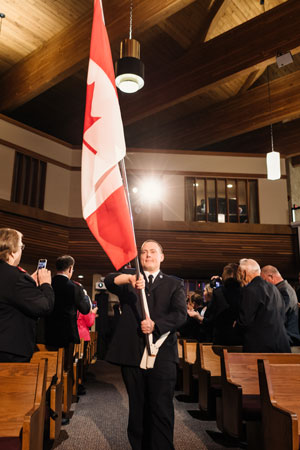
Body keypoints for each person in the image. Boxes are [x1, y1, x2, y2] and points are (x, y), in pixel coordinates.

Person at [105, 240, 187, 450]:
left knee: (161, 408)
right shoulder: (131, 281)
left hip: (163, 355)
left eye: (153, 251)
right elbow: (108, 280)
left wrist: (156, 325)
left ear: (162, 257)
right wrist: (130, 278)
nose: (148, 255)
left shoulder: (174, 283)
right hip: (133, 355)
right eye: (143, 252)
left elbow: (180, 315)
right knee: (138, 408)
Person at [0, 228, 54, 362]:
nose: (22, 250)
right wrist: (46, 284)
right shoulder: (17, 278)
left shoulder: (16, 279)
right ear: (12, 252)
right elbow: (44, 307)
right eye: (21, 246)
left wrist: (28, 284)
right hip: (10, 351)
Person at [237, 258, 290, 353]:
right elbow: (282, 316)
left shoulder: (250, 290)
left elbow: (245, 321)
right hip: (281, 345)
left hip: (261, 348)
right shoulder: (274, 288)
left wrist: (236, 325)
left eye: (239, 273)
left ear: (244, 273)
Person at [202, 263, 243, 345]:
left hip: (221, 336)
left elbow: (209, 315)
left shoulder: (218, 292)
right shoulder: (245, 291)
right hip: (240, 336)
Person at [261, 265, 300, 345]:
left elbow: (278, 316)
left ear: (271, 276)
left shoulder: (284, 291)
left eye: (264, 280)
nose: (263, 285)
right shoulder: (283, 289)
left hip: (288, 337)